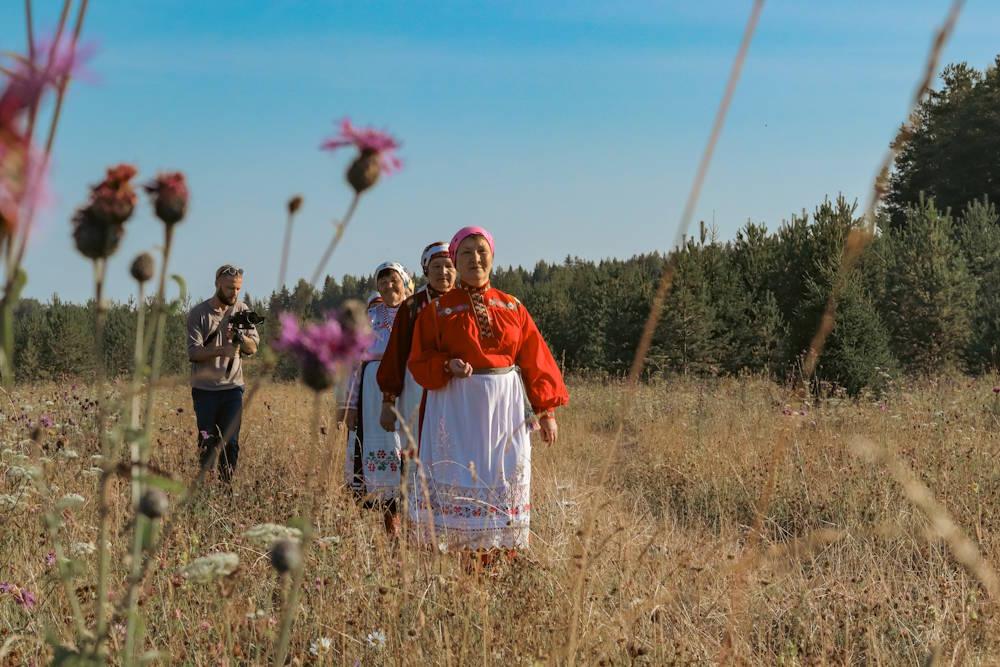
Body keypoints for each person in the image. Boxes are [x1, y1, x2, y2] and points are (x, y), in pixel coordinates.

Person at [407, 227, 568, 560]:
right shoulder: (436, 312)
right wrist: (446, 365)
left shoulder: (512, 307)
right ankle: (465, 567)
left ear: (492, 256)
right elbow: (419, 362)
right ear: (454, 260)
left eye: (481, 251)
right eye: (466, 252)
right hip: (456, 410)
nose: (475, 258)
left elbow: (535, 359)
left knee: (504, 482)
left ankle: (499, 567)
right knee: (461, 483)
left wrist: (547, 412)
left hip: (505, 408)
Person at [344, 261, 408, 523]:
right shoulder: (369, 318)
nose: (388, 285)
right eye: (383, 282)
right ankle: (389, 521)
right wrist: (350, 403)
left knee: (406, 444)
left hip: (408, 384)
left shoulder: (415, 310)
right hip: (372, 392)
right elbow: (354, 362)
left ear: (405, 282)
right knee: (380, 447)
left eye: (394, 280)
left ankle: (413, 520)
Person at [186, 264, 259, 482]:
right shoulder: (198, 314)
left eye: (237, 289)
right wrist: (222, 350)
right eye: (229, 288)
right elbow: (193, 353)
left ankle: (226, 489)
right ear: (217, 284)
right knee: (207, 442)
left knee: (231, 443)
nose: (234, 293)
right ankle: (205, 485)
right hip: (205, 391)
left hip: (232, 390)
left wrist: (240, 339)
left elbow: (253, 348)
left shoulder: (242, 311)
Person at [377, 241, 456, 440]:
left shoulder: (465, 301)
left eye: (449, 266)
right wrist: (388, 401)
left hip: (458, 386)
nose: (443, 272)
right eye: (436, 266)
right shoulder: (412, 306)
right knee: (419, 445)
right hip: (417, 388)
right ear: (426, 270)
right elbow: (395, 353)